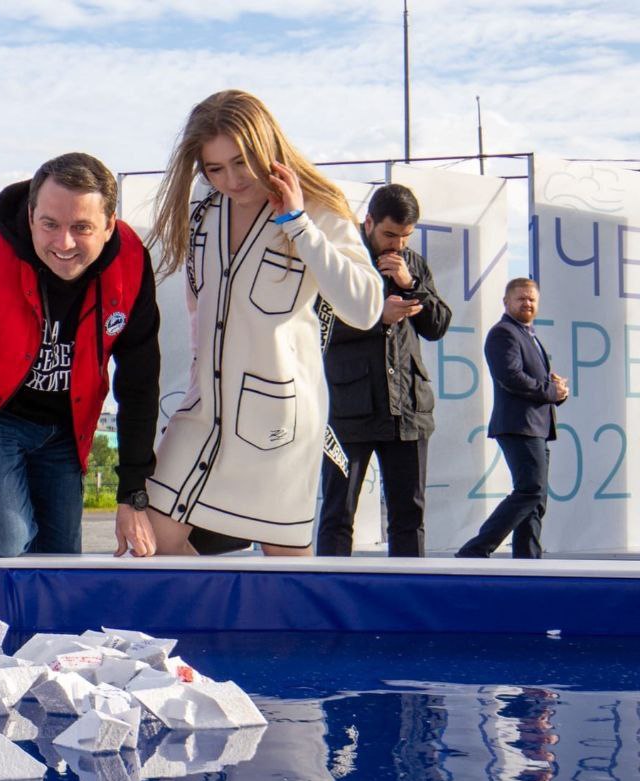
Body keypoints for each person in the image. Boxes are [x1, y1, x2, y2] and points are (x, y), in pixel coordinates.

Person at [146, 90, 382, 556]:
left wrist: (298, 224)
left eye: (241, 162)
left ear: (266, 147)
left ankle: (283, 631)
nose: (231, 180)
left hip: (278, 420)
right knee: (155, 533)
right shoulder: (203, 212)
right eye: (214, 168)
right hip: (204, 411)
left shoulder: (318, 208)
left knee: (285, 565)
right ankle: (220, 625)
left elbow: (365, 306)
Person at [0, 152, 161, 557]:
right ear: (30, 216)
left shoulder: (131, 264)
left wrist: (133, 494)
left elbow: (139, 382)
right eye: (50, 225)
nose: (64, 243)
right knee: (9, 541)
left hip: (64, 428)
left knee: (61, 556)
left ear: (110, 224)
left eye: (82, 227)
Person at [317, 183, 452, 557]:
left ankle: (411, 605)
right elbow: (316, 327)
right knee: (337, 513)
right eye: (389, 234)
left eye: (405, 236)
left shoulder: (414, 265)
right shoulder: (341, 259)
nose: (397, 245)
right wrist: (378, 317)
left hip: (407, 411)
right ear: (369, 222)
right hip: (349, 410)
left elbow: (437, 326)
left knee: (410, 515)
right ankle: (330, 604)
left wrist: (412, 286)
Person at [456, 278, 568, 559]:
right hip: (519, 426)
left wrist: (557, 391)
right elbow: (511, 377)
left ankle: (528, 559)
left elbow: (533, 380)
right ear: (506, 302)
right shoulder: (503, 333)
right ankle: (475, 550)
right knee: (530, 490)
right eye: (521, 298)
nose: (527, 303)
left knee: (536, 498)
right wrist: (549, 391)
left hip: (537, 426)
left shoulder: (529, 335)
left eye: (532, 299)